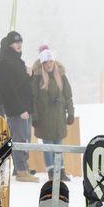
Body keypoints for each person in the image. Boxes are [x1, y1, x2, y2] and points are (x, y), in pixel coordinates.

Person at [0, 30, 35, 182]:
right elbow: (9, 89)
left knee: (25, 138)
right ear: (9, 44)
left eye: (20, 42)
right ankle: (21, 170)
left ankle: (23, 167)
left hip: (24, 107)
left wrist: (28, 76)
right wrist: (20, 109)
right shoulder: (5, 61)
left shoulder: (18, 61)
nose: (19, 45)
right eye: (15, 42)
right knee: (19, 138)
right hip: (17, 109)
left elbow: (22, 85)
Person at [30, 46, 75, 181]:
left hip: (59, 118)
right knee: (48, 145)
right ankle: (51, 171)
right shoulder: (37, 78)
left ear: (54, 62)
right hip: (44, 119)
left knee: (59, 145)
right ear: (42, 64)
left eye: (50, 62)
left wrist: (71, 113)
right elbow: (33, 98)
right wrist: (35, 116)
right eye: (45, 62)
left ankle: (61, 170)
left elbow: (68, 96)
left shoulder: (61, 76)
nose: (48, 65)